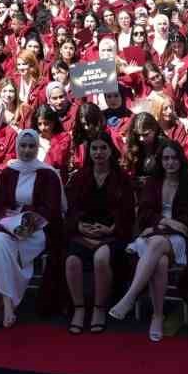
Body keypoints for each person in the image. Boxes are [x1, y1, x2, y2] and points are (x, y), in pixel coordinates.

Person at [107, 138, 188, 343]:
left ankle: (130, 297)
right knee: (161, 261)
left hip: (179, 240)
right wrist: (165, 222)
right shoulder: (153, 183)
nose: (170, 162)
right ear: (160, 161)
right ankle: (157, 316)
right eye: (165, 158)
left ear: (181, 160)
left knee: (157, 243)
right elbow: (144, 214)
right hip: (155, 234)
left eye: (174, 158)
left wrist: (168, 225)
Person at [0, 128, 64, 334]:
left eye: (31, 146)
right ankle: (4, 304)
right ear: (17, 147)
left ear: (38, 147)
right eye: (23, 146)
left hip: (36, 229)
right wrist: (6, 215)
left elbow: (51, 209)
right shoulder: (10, 171)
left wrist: (25, 215)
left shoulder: (48, 174)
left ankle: (0, 306)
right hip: (10, 226)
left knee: (1, 247)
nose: (26, 150)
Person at [63, 131, 136, 335]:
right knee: (71, 261)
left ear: (110, 151)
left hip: (112, 232)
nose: (98, 152)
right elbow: (71, 209)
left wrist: (112, 228)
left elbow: (128, 212)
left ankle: (99, 308)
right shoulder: (80, 177)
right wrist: (78, 225)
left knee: (101, 259)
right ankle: (79, 308)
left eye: (103, 148)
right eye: (94, 148)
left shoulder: (122, 178)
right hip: (83, 230)